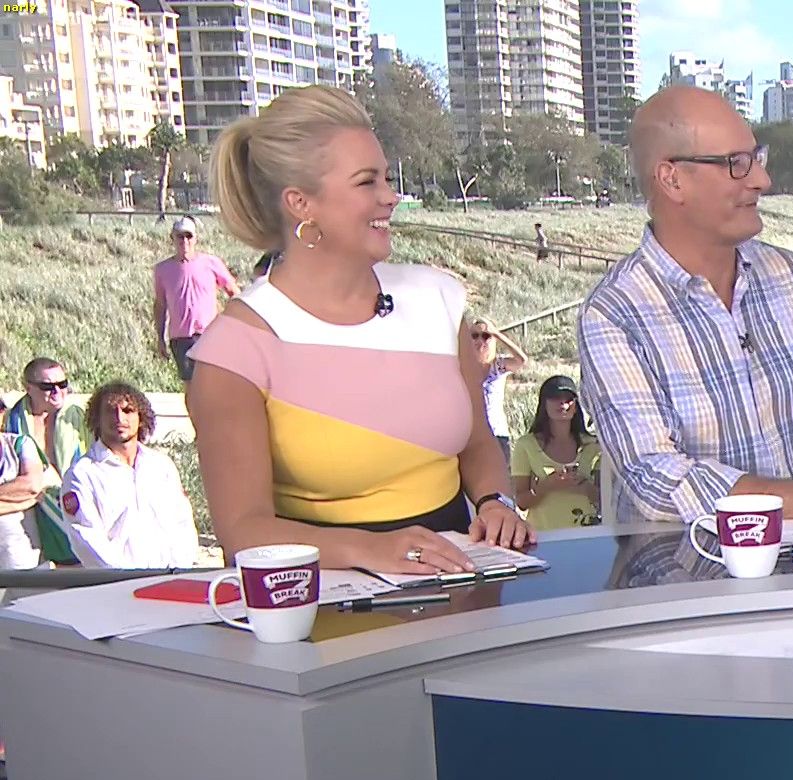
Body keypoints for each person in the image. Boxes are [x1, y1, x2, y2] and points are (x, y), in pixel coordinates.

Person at [187, 85, 533, 575]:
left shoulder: (437, 300)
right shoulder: (236, 349)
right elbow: (243, 531)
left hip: (462, 580)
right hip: (326, 598)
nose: (391, 197)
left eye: (386, 179)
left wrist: (495, 503)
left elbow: (478, 444)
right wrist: (371, 550)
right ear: (301, 204)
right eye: (367, 182)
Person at [579, 86, 793, 525]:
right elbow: (657, 478)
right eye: (735, 163)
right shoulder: (615, 314)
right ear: (672, 179)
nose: (761, 180)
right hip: (690, 566)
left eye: (757, 158)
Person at [58, 382, 199, 569]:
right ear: (97, 418)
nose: (119, 417)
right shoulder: (81, 474)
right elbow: (85, 538)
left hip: (169, 578)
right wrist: (124, 577)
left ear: (141, 417)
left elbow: (182, 523)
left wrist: (180, 568)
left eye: (128, 410)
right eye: (110, 411)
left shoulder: (161, 466)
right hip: (117, 582)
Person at [2, 356, 89, 566]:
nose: (57, 391)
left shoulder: (79, 420)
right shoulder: (9, 421)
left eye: (62, 384)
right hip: (26, 511)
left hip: (70, 502)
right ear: (28, 388)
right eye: (47, 387)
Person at [152, 214, 240, 384]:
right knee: (191, 385)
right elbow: (160, 305)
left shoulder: (211, 263)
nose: (184, 241)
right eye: (180, 236)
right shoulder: (162, 269)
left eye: (189, 236)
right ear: (172, 238)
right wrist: (160, 338)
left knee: (212, 383)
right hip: (180, 338)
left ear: (195, 239)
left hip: (209, 334)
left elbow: (234, 293)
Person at [511, 375, 602, 531]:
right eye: (555, 398)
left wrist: (584, 486)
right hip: (543, 535)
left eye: (569, 399)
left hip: (586, 534)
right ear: (543, 404)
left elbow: (606, 500)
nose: (563, 404)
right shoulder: (525, 445)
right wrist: (547, 486)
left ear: (576, 406)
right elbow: (521, 502)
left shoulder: (593, 446)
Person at [474, 318, 531, 462]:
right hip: (471, 437)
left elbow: (521, 360)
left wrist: (497, 334)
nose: (480, 340)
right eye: (474, 336)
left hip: (497, 434)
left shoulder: (497, 366)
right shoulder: (463, 367)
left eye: (486, 336)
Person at [0, 424, 43, 568]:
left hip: (19, 559)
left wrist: (29, 494)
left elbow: (32, 486)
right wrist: (18, 498)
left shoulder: (20, 444)